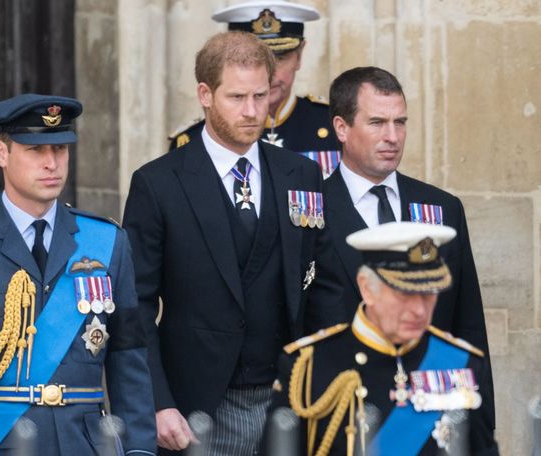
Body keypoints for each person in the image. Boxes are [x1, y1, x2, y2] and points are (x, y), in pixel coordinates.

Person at [124, 31, 344, 455]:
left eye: (260, 96)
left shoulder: (300, 174)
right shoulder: (158, 184)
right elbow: (136, 305)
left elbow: (325, 284)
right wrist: (158, 401)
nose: (252, 111)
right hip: (199, 407)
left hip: (290, 397)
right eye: (237, 97)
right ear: (205, 94)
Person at [0, 94, 156, 455]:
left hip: (85, 445)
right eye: (36, 150)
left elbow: (129, 359)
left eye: (61, 149)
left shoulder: (106, 242)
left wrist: (139, 449)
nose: (52, 163)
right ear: (2, 154)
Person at [323, 66, 495, 425]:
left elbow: (468, 322)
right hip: (343, 409)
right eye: (376, 123)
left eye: (400, 122)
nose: (392, 136)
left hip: (428, 412)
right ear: (342, 128)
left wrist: (480, 422)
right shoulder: (312, 210)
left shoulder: (442, 207)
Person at [270, 222, 499, 455]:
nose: (419, 310)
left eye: (429, 294)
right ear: (367, 288)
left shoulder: (461, 363)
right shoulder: (308, 366)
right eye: (406, 294)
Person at [169, 0, 341, 179]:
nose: (269, 74)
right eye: (251, 63)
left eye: (280, 58)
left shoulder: (332, 125)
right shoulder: (193, 139)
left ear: (299, 56)